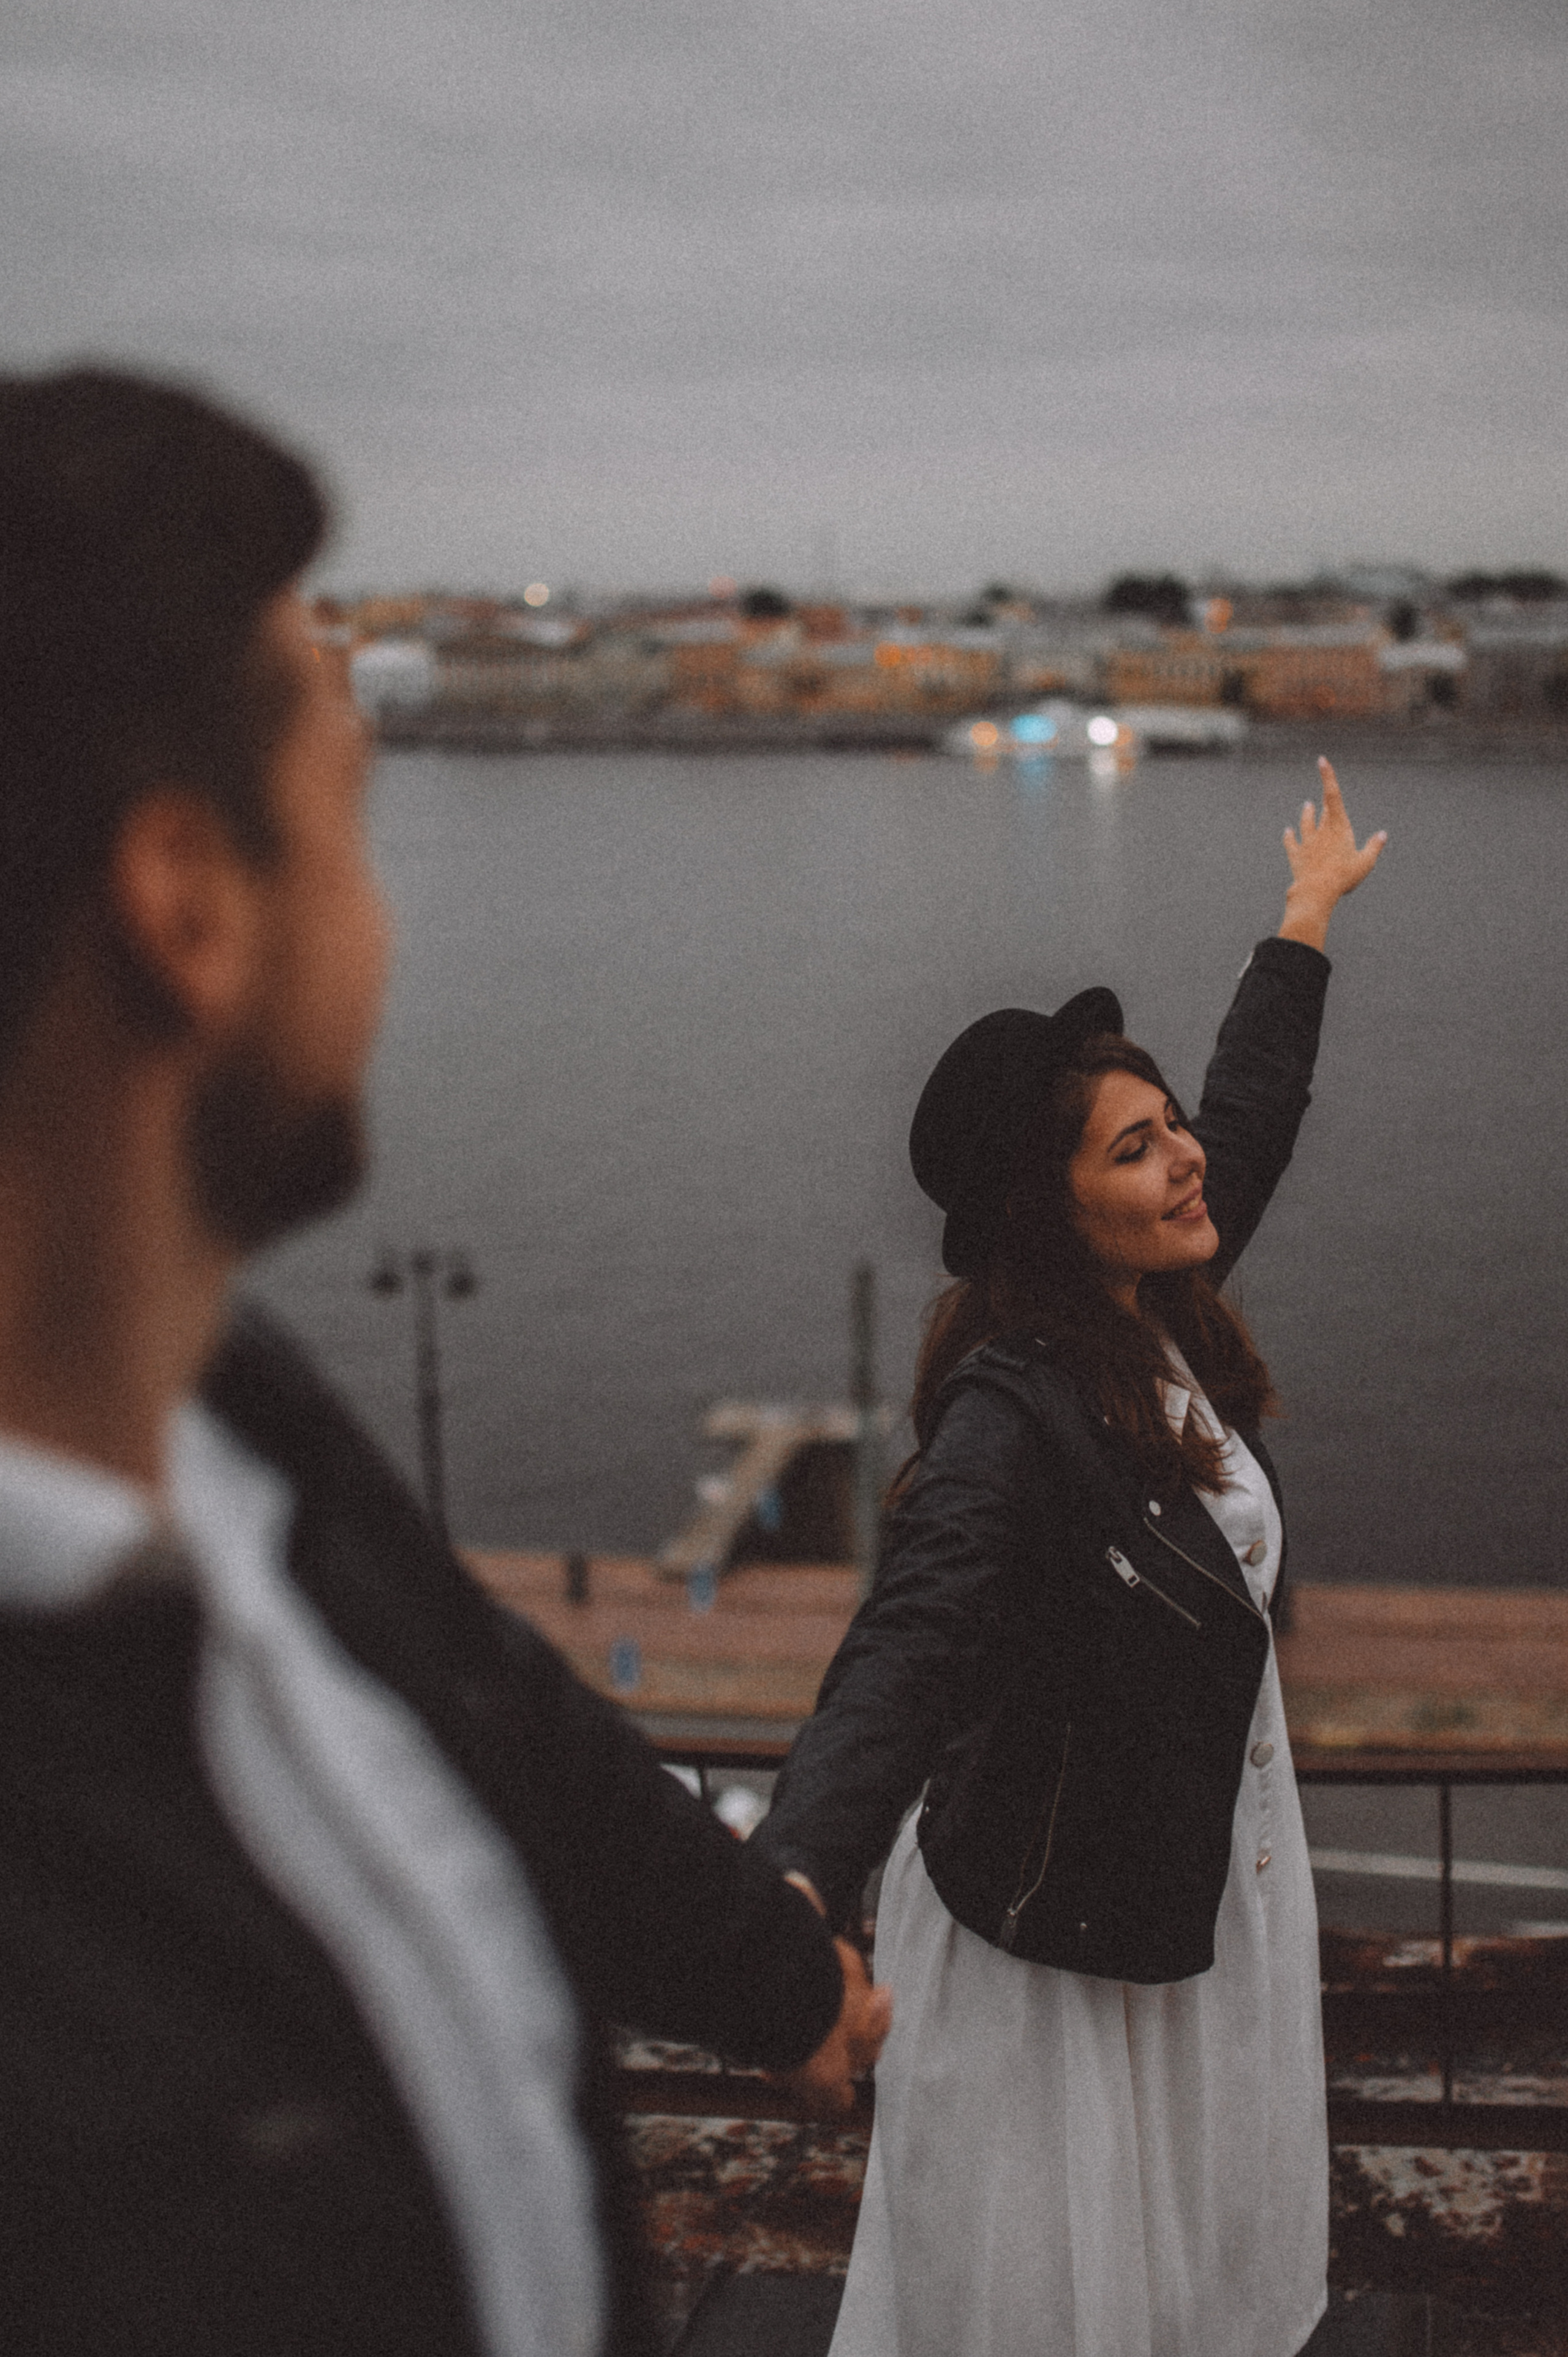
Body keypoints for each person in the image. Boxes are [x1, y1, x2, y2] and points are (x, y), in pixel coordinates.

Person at [0, 366, 889, 2357]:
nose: (386, 928)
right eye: (350, 816)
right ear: (188, 907)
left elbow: (507, 1723)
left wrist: (780, 1976)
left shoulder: (222, 1421)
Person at [753, 773, 1386, 2357]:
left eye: (1167, 1127)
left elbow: (1249, 1111)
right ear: (1057, 1211)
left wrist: (1304, 920)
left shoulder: (1145, 1308)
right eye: (1137, 1149)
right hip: (1053, 1962)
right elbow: (909, 1644)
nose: (1185, 1162)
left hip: (1178, 1892)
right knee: (1057, 2303)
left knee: (1181, 2275)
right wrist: (794, 1885)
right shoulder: (1014, 1414)